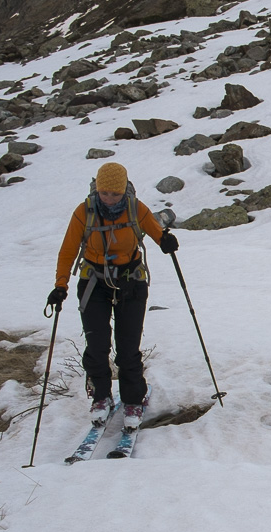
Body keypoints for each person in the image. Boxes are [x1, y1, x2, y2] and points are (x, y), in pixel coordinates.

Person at [47, 162, 178, 429]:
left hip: (131, 282)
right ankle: (101, 397)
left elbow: (156, 232)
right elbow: (68, 250)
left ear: (124, 191)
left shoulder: (135, 208)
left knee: (128, 348)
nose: (109, 198)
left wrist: (166, 240)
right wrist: (61, 285)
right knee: (97, 347)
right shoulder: (84, 212)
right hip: (93, 284)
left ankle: (132, 400)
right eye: (104, 192)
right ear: (97, 189)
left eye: (114, 194)